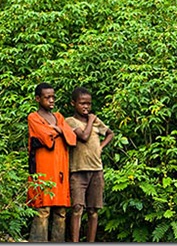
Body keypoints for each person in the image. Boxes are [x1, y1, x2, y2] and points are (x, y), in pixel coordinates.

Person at [27, 82, 77, 242]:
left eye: (53, 97)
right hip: (43, 168)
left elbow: (72, 137)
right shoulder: (33, 117)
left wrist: (60, 129)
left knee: (61, 211)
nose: (51, 100)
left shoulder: (59, 117)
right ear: (38, 98)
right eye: (47, 97)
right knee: (43, 209)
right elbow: (45, 136)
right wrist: (60, 131)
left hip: (60, 169)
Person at [65, 86, 114, 242]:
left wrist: (100, 147)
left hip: (96, 170)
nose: (86, 107)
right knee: (77, 208)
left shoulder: (95, 121)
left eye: (88, 104)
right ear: (73, 103)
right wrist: (92, 120)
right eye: (82, 103)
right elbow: (84, 136)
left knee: (93, 210)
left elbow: (110, 133)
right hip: (78, 170)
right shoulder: (70, 121)